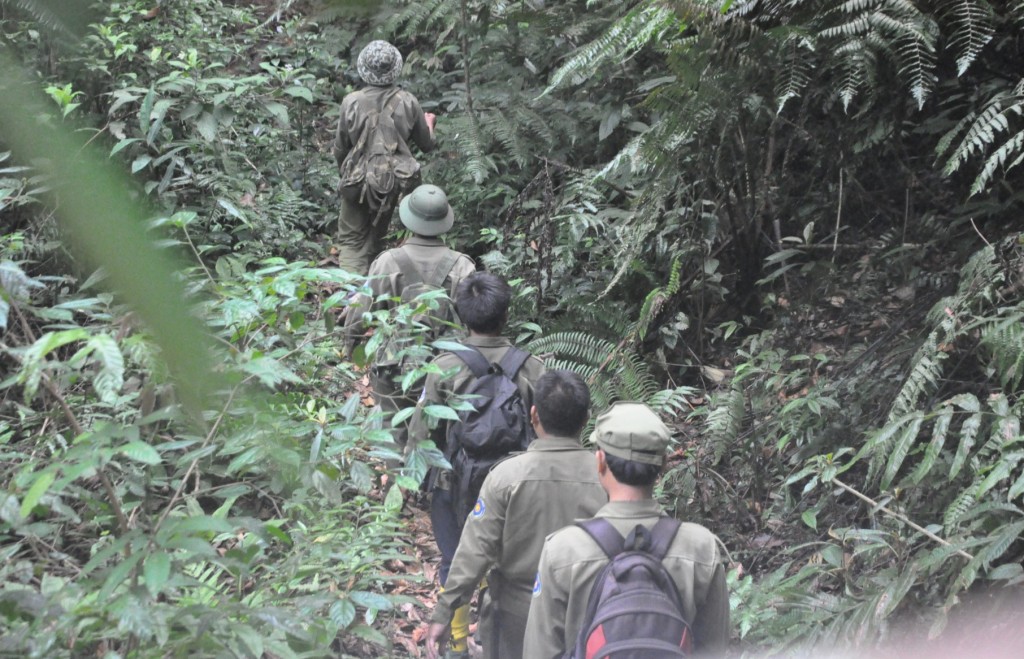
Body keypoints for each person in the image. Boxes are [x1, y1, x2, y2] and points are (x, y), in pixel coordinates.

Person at [524, 402, 731, 659]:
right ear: (663, 464)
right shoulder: (701, 548)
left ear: (599, 462)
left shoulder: (563, 551)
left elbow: (539, 652)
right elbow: (716, 650)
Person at [424, 370, 607, 659]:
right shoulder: (606, 477)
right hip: (588, 612)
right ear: (586, 420)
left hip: (515, 614)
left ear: (533, 416)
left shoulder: (507, 476)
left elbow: (475, 551)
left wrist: (444, 612)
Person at [408, 272, 545, 657]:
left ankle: (454, 647)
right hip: (516, 489)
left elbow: (421, 434)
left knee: (455, 562)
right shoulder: (533, 368)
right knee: (504, 565)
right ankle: (491, 637)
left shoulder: (443, 366)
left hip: (453, 485)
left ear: (463, 317)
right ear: (505, 315)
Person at [343, 184, 476, 454]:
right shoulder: (463, 266)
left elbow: (360, 311)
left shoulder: (386, 262)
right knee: (440, 430)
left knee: (393, 429)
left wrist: (349, 344)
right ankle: (431, 489)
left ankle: (397, 486)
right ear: (444, 221)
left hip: (394, 363)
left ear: (408, 219)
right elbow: (475, 318)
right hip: (446, 366)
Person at [333, 40, 436, 275]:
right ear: (395, 69)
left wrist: (347, 174)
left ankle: (353, 298)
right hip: (396, 182)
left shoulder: (351, 101)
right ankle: (379, 290)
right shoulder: (408, 101)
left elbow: (340, 147)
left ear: (364, 69)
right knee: (378, 236)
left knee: (351, 241)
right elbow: (427, 144)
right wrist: (430, 125)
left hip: (357, 181)